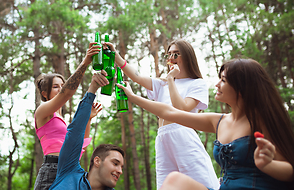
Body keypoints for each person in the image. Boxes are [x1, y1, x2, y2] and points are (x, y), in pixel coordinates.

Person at [117, 58, 294, 190]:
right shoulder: (219, 121)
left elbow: (289, 171)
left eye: (223, 80)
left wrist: (267, 164)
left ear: (242, 88)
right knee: (173, 181)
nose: (217, 84)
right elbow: (169, 112)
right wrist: (132, 97)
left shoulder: (262, 120)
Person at [104, 39, 219, 189]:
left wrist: (171, 79)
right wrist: (115, 56)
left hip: (183, 135)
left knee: (200, 182)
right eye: (168, 54)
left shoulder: (197, 83)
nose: (171, 58)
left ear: (187, 57)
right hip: (162, 137)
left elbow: (181, 109)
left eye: (176, 54)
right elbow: (137, 77)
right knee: (165, 186)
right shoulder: (162, 83)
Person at [34, 42, 105, 190]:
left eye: (62, 84)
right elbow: (66, 93)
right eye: (55, 86)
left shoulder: (63, 123)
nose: (61, 88)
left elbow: (81, 144)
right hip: (52, 170)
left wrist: (88, 119)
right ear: (44, 94)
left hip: (70, 170)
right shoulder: (42, 112)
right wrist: (86, 61)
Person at [49, 71, 125, 190]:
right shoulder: (69, 171)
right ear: (97, 161)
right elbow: (76, 131)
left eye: (121, 167)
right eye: (115, 163)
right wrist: (93, 88)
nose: (120, 171)